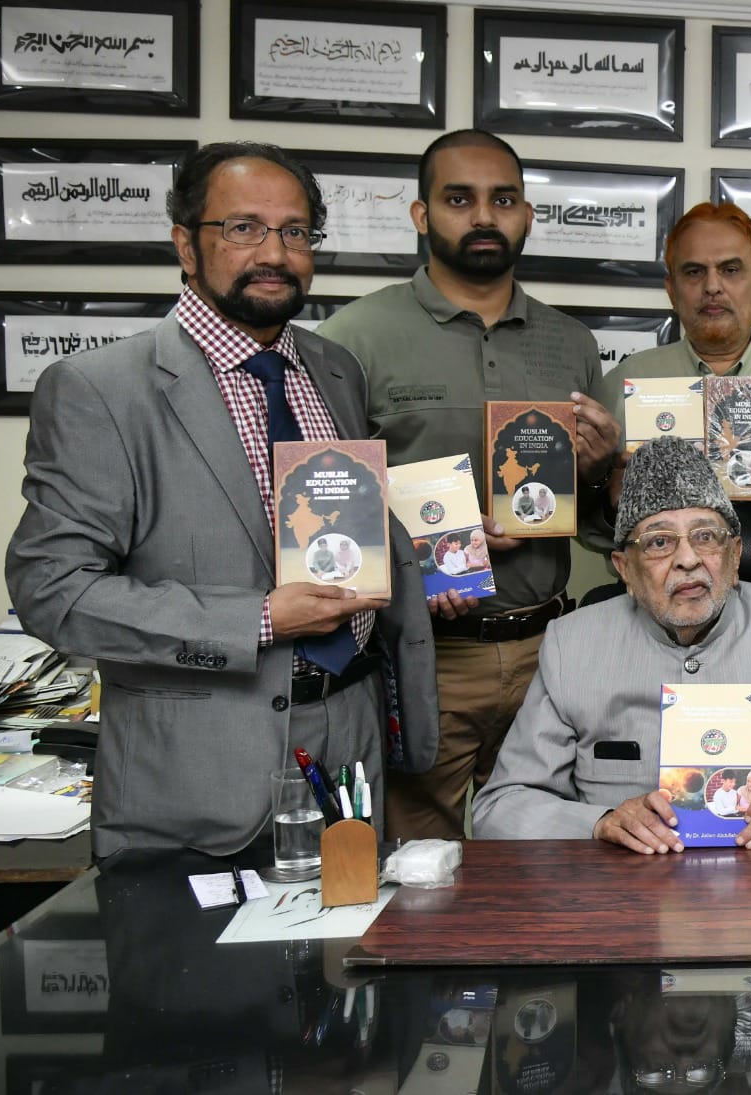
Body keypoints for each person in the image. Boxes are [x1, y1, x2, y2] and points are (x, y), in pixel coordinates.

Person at [4, 141, 438, 859]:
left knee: (350, 934)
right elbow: (52, 591)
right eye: (243, 228)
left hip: (350, 748)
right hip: (197, 775)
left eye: (295, 231)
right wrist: (260, 620)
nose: (274, 253)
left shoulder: (335, 369)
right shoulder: (100, 389)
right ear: (186, 244)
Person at [317, 129, 620, 841]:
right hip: (423, 653)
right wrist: (412, 569)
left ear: (528, 216)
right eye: (459, 199)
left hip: (550, 650)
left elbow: (597, 524)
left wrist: (603, 467)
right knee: (419, 862)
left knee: (548, 857)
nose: (484, 216)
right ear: (421, 215)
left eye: (503, 200)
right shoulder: (354, 337)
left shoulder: (571, 342)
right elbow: (323, 507)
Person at [472, 436, 751, 850]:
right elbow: (500, 806)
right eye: (659, 542)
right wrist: (599, 822)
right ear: (624, 568)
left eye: (706, 537)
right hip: (625, 884)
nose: (687, 559)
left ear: (736, 556)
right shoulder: (572, 643)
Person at [595, 202, 751, 592]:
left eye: (730, 269)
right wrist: (610, 504)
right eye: (694, 272)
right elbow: (586, 529)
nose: (712, 286)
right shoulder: (622, 385)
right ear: (671, 290)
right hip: (653, 610)